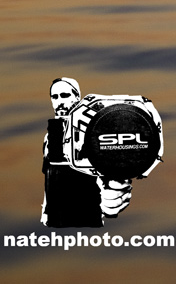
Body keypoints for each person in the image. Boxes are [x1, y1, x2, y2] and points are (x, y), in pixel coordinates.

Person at [41, 77, 131, 227]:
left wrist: (113, 197)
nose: (59, 102)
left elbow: (114, 177)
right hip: (56, 222)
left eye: (65, 95)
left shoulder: (96, 131)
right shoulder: (52, 135)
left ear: (77, 97)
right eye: (54, 97)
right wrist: (45, 214)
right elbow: (49, 177)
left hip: (87, 220)